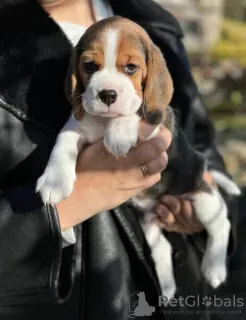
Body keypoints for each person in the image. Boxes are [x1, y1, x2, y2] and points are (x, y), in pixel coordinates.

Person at [0, 0, 243, 319]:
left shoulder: (155, 25)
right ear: (78, 73)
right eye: (91, 66)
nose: (109, 83)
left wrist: (199, 211)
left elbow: (200, 145)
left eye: (130, 68)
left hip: (185, 291)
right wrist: (74, 200)